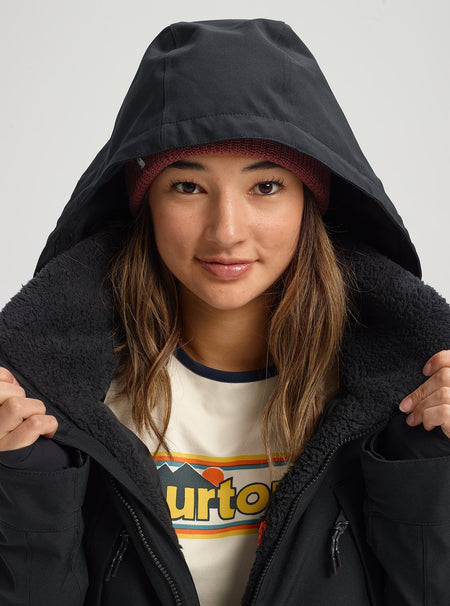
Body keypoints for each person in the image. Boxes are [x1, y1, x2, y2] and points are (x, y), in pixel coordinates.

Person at [0, 18, 449, 606]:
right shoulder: (56, 401)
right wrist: (25, 475)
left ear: (310, 200)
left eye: (266, 187)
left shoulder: (398, 396)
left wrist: (433, 461)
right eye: (188, 186)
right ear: (146, 202)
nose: (226, 231)